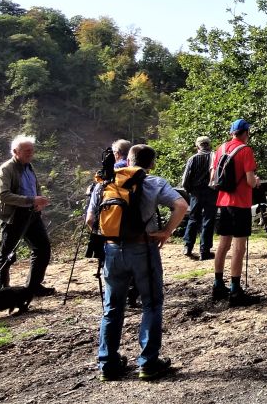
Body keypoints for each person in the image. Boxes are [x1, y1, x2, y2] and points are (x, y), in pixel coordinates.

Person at [90, 145, 188, 381]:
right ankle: (148, 363)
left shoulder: (105, 181)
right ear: (151, 163)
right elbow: (182, 205)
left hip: (112, 250)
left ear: (127, 159)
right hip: (143, 249)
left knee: (112, 307)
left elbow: (91, 220)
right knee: (151, 304)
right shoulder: (153, 182)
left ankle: (108, 364)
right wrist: (166, 231)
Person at [0, 135, 53, 295]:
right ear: (15, 151)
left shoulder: (29, 167)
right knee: (6, 254)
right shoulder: (6, 169)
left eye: (31, 150)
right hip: (14, 216)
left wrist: (38, 202)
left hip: (32, 214)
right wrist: (32, 199)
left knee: (43, 248)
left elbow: (34, 187)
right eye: (26, 151)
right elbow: (4, 195)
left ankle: (33, 287)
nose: (30, 153)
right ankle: (1, 292)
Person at [211, 119, 261, 306]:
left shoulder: (221, 149)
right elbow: (249, 180)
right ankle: (235, 290)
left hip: (223, 201)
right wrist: (256, 181)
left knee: (223, 243)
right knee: (239, 246)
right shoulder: (245, 150)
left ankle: (217, 284)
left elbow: (214, 174)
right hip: (240, 203)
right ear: (245, 132)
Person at [180, 136, 216, 260]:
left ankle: (188, 246)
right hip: (211, 192)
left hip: (195, 192)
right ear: (209, 145)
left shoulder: (193, 158)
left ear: (197, 146)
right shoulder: (214, 157)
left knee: (193, 218)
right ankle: (204, 251)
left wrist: (188, 190)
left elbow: (185, 179)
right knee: (208, 220)